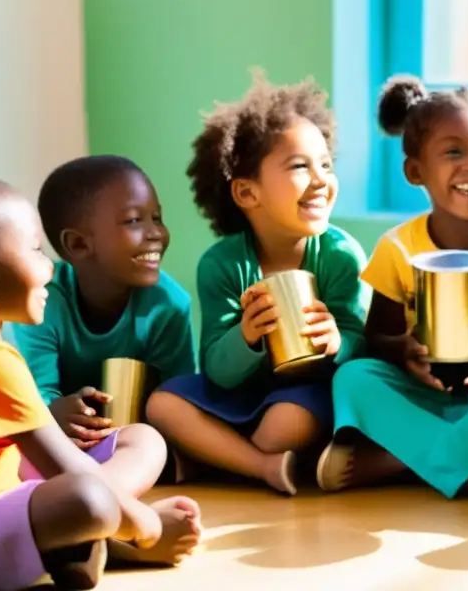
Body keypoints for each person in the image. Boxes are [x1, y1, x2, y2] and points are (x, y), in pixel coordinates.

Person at [0, 175, 200, 591]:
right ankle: (106, 534)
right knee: (85, 499)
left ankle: (87, 536)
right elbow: (70, 473)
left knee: (143, 440)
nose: (50, 266)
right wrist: (148, 528)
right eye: (36, 250)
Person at [316, 76, 468, 511]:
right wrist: (405, 352)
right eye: (455, 152)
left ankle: (398, 459)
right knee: (353, 378)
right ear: (416, 171)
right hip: (421, 393)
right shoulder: (397, 247)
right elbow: (377, 338)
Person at [146, 73, 369, 495]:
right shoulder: (222, 264)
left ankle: (222, 457)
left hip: (306, 390)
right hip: (239, 393)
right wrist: (246, 337)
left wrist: (339, 342)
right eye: (301, 166)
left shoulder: (342, 256)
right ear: (248, 194)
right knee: (161, 403)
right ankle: (261, 467)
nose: (322, 180)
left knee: (282, 427)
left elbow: (365, 344)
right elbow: (215, 368)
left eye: (326, 164)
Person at [8, 156, 194, 489]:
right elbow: (34, 397)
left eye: (157, 218)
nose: (156, 233)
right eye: (134, 220)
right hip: (55, 443)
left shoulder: (169, 305)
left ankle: (99, 499)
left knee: (151, 444)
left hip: (128, 441)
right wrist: (57, 412)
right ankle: (92, 499)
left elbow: (180, 395)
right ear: (78, 244)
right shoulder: (41, 299)